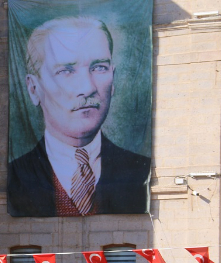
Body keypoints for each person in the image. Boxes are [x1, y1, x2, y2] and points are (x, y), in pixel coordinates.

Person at [8, 16, 150, 217]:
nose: (88, 88)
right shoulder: (15, 176)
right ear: (33, 88)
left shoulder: (142, 172)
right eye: (66, 71)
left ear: (113, 78)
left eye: (99, 67)